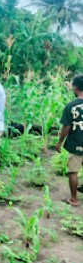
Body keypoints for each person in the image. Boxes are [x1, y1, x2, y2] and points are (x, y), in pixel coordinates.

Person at [55, 75, 83, 207]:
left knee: (73, 171)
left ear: (76, 88)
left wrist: (59, 142)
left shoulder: (71, 106)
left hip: (76, 143)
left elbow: (67, 126)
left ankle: (73, 198)